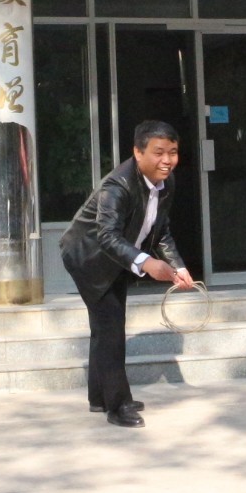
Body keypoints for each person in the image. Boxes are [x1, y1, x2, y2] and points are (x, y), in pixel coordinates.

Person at [61, 121, 195, 428]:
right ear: (138, 152)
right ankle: (117, 405)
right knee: (110, 328)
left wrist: (178, 266)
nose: (167, 160)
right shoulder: (117, 186)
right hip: (88, 258)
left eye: (173, 152)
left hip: (120, 259)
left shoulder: (165, 183)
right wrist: (147, 263)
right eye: (158, 152)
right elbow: (106, 235)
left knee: (106, 327)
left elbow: (160, 230)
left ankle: (100, 397)